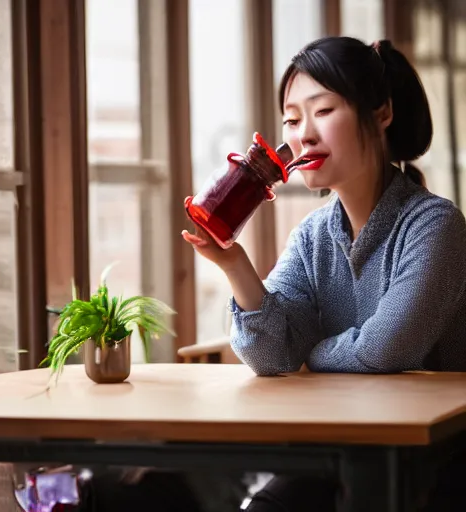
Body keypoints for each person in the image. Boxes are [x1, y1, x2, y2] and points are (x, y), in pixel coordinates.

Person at [182, 36, 466, 510]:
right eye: (292, 119)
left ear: (382, 114)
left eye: (323, 111)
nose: (303, 134)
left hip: (436, 461)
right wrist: (235, 265)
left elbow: (387, 349)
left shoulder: (436, 224)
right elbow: (271, 356)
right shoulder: (313, 235)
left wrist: (311, 353)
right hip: (342, 452)